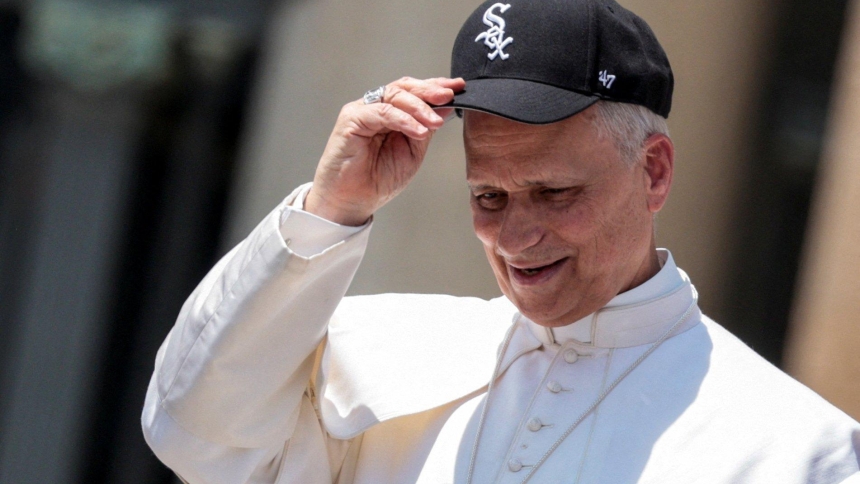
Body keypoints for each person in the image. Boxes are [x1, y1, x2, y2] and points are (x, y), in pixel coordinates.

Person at [142, 0, 860, 482]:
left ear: (655, 172)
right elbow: (195, 436)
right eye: (489, 197)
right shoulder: (386, 349)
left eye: (555, 193)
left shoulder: (797, 448)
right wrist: (332, 208)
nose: (515, 236)